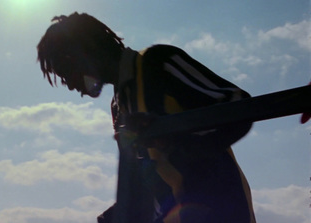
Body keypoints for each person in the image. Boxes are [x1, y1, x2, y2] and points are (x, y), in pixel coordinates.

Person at [37, 12, 256, 223]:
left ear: (87, 50)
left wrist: (174, 141)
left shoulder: (158, 62)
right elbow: (148, 182)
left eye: (66, 71)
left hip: (223, 211)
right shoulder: (118, 106)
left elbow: (239, 105)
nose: (71, 85)